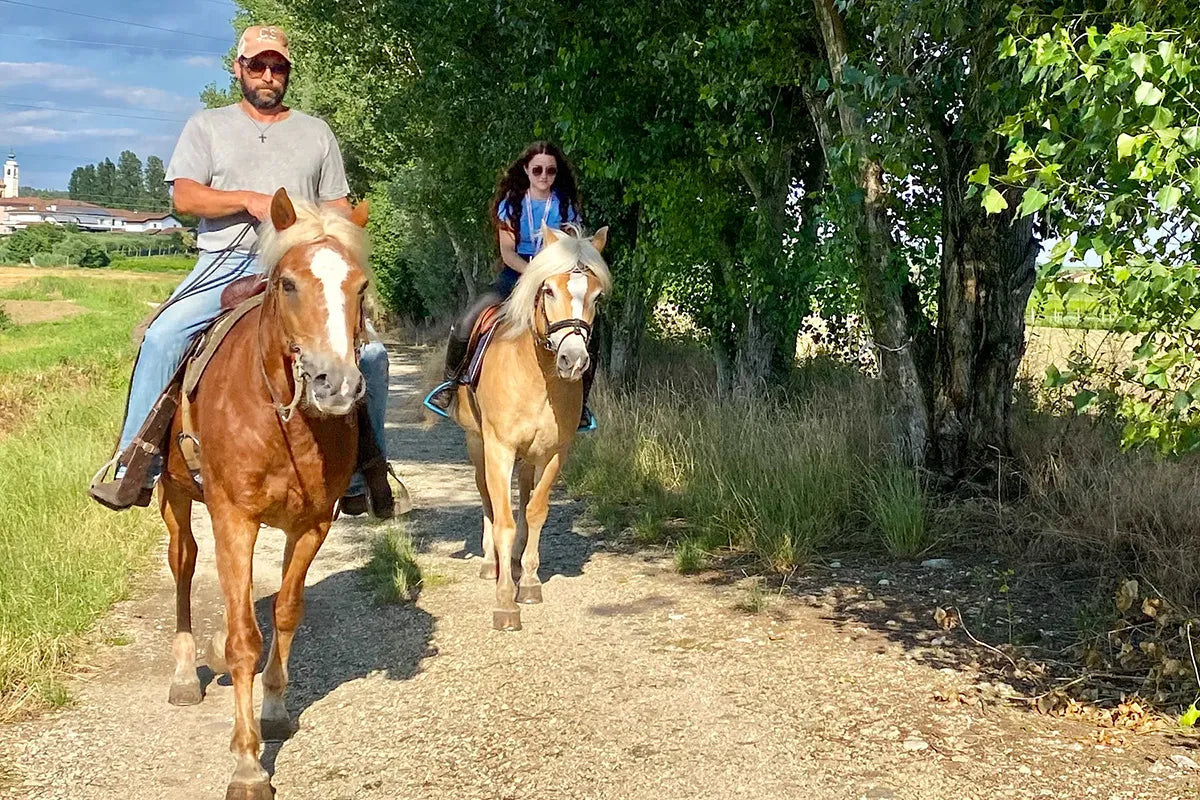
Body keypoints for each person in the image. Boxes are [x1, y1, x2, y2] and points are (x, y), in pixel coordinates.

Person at [89, 24, 393, 517]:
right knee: (164, 337)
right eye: (258, 65)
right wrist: (248, 200)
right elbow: (184, 196)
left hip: (302, 271)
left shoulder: (316, 134)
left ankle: (366, 468)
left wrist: (339, 234)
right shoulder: (207, 126)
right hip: (224, 263)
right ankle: (134, 463)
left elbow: (336, 206)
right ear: (239, 69)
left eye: (278, 67)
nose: (268, 75)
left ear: (287, 73)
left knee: (373, 356)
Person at [428, 141, 596, 428]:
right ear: (527, 171)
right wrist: (533, 272)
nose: (544, 176)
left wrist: (552, 273)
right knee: (468, 319)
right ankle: (450, 384)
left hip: (556, 278)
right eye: (538, 169)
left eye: (551, 170)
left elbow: (573, 248)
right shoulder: (512, 204)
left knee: (591, 327)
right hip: (515, 274)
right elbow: (507, 252)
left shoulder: (565, 205)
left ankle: (582, 402)